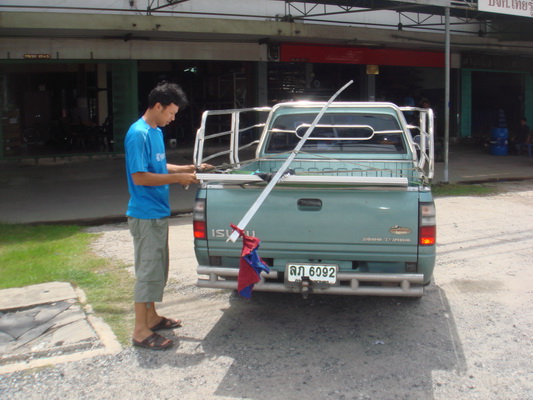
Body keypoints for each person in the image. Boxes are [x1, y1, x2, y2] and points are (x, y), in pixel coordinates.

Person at [124, 82, 210, 350]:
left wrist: (189, 168)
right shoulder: (138, 134)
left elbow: (159, 166)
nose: (172, 118)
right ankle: (140, 331)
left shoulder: (155, 131)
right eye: (170, 113)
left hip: (158, 212)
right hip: (145, 214)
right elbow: (139, 177)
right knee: (148, 272)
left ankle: (152, 318)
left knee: (158, 270)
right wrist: (177, 178)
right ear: (157, 106)